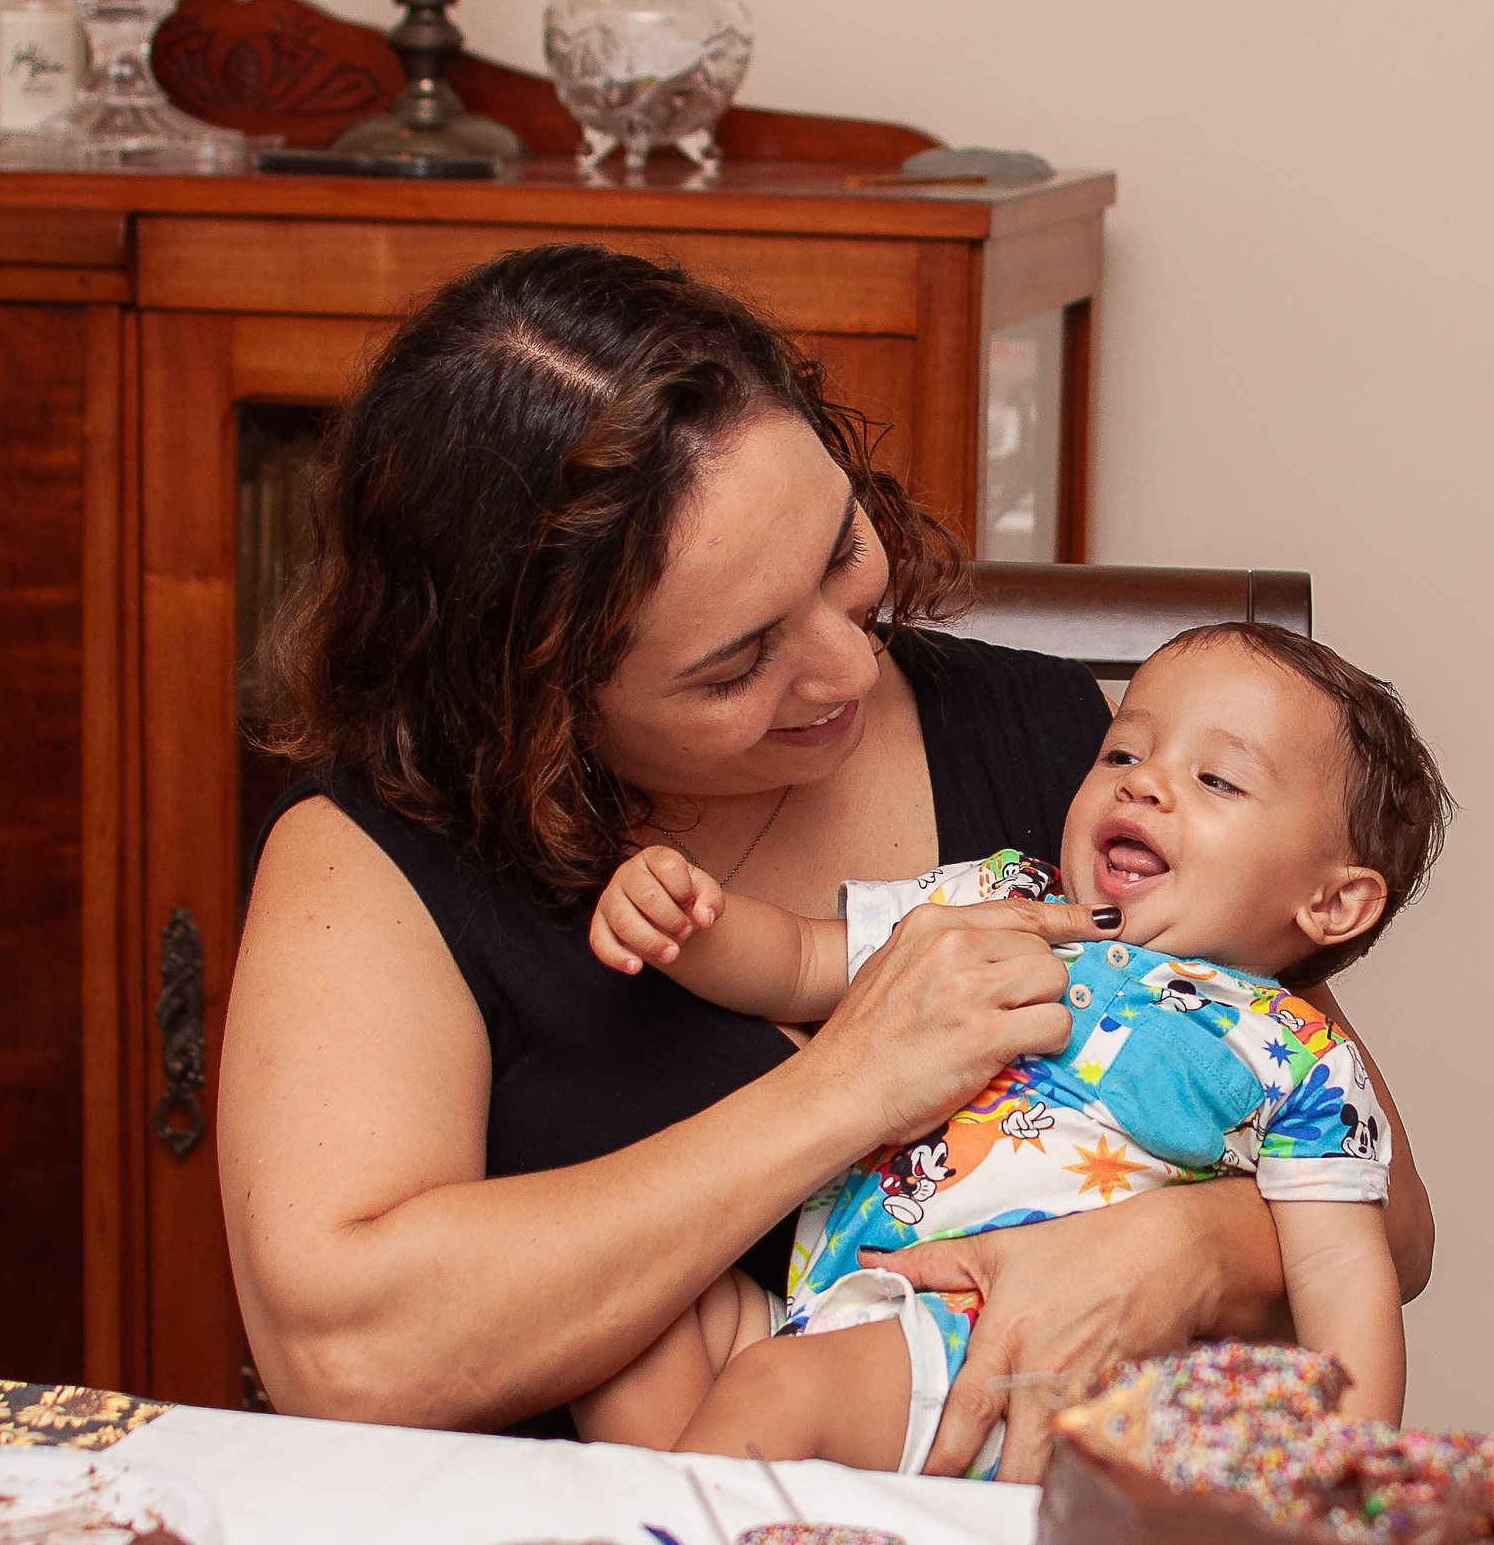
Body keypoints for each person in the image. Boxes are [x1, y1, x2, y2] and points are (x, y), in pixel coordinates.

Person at [217, 242, 1437, 1480]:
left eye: (840, 553)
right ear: (534, 697)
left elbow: (1384, 1212)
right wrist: (847, 1087)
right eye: (738, 662)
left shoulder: (1075, 757)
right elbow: (346, 1354)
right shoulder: (376, 856)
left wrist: (1179, 1252)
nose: (854, 666)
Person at [573, 622, 1447, 1474]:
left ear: (1332, 904)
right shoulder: (1003, 896)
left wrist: (1351, 1478)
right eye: (1122, 753)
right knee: (632, 1330)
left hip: (1015, 1356)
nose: (1144, 785)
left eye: (1216, 779)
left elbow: (1341, 1266)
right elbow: (804, 962)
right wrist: (688, 926)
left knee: (779, 1392)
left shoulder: (1301, 1057)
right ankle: (714, 1507)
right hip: (836, 1299)